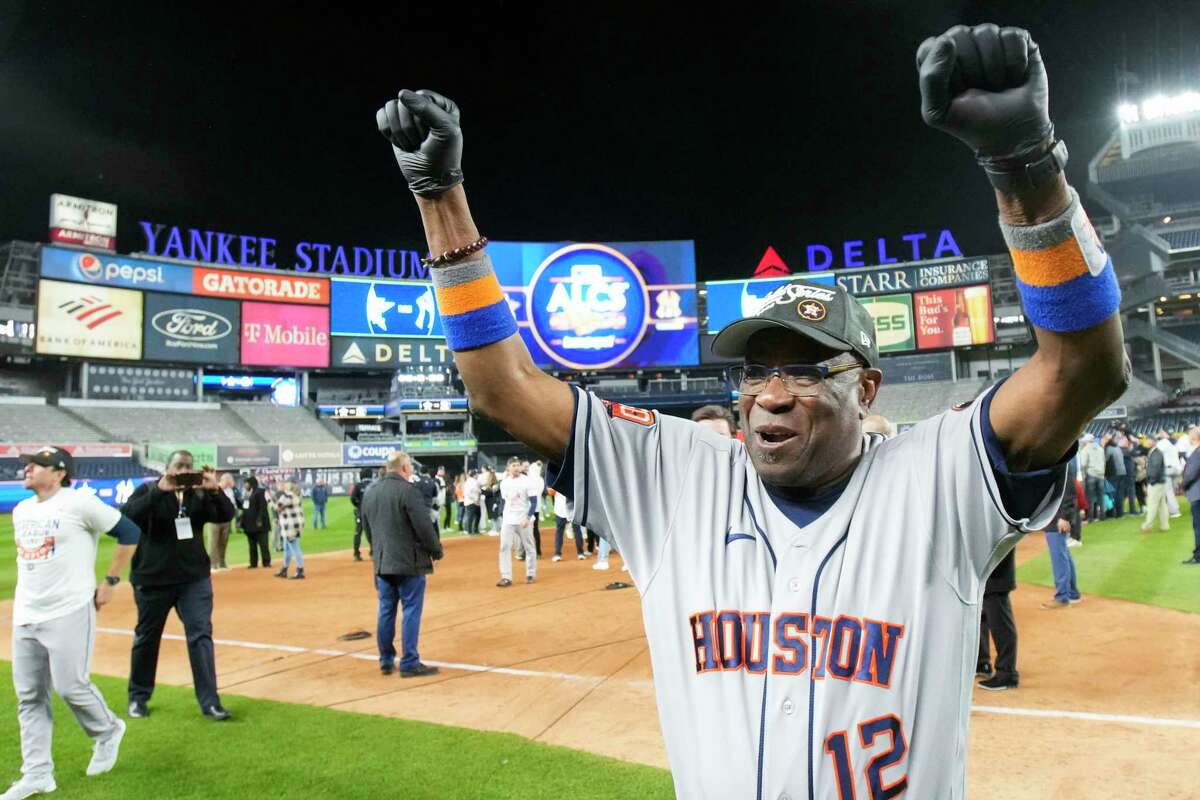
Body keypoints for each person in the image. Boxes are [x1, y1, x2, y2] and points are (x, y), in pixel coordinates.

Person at [377, 24, 1128, 795]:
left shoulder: (937, 480)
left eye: (803, 372)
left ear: (864, 390)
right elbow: (503, 388)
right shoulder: (673, 477)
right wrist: (441, 201)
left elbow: (1083, 369)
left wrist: (1025, 167)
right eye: (756, 371)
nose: (768, 393)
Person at [1, 447, 141, 800]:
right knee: (30, 696)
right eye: (27, 465)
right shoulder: (22, 509)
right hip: (27, 614)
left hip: (69, 610)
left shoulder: (79, 502)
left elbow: (129, 532)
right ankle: (37, 774)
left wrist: (110, 582)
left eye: (37, 465)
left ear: (60, 472)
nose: (28, 468)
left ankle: (108, 731)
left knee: (70, 686)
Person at [121, 449, 235, 721]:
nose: (183, 471)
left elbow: (226, 515)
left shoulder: (198, 494)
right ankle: (138, 697)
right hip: (153, 579)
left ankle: (210, 702)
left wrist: (214, 490)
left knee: (201, 637)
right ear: (167, 467)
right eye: (178, 466)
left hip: (193, 580)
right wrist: (160, 491)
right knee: (147, 639)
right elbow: (127, 517)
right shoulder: (148, 490)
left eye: (188, 466)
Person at [360, 451, 442, 678]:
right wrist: (436, 550)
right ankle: (409, 662)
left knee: (385, 611)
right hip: (409, 563)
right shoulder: (409, 491)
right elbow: (424, 527)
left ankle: (386, 660)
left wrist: (379, 551)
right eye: (411, 468)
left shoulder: (371, 492)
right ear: (404, 468)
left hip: (382, 562)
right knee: (411, 611)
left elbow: (368, 528)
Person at [1041, 458, 1083, 609]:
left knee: (1059, 555)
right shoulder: (1059, 459)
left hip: (1057, 515)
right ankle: (1072, 593)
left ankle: (1062, 597)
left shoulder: (1061, 461)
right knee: (1063, 552)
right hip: (1055, 514)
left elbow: (1069, 491)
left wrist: (1065, 516)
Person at [976, 550, 1019, 690]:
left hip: (997, 574)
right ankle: (982, 663)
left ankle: (1007, 674)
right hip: (984, 573)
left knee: (1000, 623)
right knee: (981, 618)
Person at [497, 457, 539, 586]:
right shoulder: (504, 483)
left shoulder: (527, 481)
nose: (516, 467)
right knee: (504, 547)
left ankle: (530, 573)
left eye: (517, 465)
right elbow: (504, 501)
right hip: (508, 519)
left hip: (523, 519)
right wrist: (500, 514)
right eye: (513, 465)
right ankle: (506, 577)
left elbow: (533, 502)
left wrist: (528, 517)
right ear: (508, 468)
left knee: (529, 546)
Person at [274, 481, 306, 580]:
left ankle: (300, 570)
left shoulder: (287, 496)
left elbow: (276, 507)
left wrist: (269, 499)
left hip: (290, 526)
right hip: (296, 524)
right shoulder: (296, 496)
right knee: (287, 548)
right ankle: (284, 569)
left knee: (295, 547)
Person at [207, 473, 237, 571]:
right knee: (213, 543)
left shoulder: (229, 491)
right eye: (228, 482)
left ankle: (222, 563)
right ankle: (212, 565)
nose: (229, 484)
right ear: (224, 481)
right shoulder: (214, 489)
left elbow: (232, 504)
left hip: (226, 521)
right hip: (215, 521)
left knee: (223, 543)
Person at [239, 476, 272, 569]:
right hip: (249, 524)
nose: (245, 485)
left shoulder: (260, 492)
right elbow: (245, 508)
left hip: (260, 524)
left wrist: (260, 519)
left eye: (247, 483)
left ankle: (266, 562)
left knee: (263, 544)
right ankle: (253, 563)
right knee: (252, 545)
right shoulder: (246, 494)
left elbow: (263, 507)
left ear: (251, 483)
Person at [1141, 434, 1171, 533]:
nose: (1148, 442)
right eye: (1147, 440)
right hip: (1159, 481)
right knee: (1162, 505)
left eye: (1149, 440)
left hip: (1156, 482)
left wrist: (1151, 480)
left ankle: (1147, 525)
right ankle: (1164, 526)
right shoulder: (1155, 452)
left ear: (1154, 441)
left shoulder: (1156, 453)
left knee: (1152, 504)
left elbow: (1155, 468)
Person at [1180, 427, 1200, 565]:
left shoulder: (1197, 452)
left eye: (1189, 434)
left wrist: (1184, 485)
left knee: (1198, 525)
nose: (1188, 436)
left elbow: (1191, 473)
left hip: (1197, 493)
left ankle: (1198, 556)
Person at [550, 487, 586, 561]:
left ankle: (557, 554)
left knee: (560, 532)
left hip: (562, 509)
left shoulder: (556, 478)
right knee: (576, 531)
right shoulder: (573, 477)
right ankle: (580, 553)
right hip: (569, 508)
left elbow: (551, 492)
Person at [1077, 433, 1105, 524]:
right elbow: (1104, 462)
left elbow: (1083, 463)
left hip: (1091, 474)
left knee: (1090, 498)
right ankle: (1102, 516)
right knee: (1101, 496)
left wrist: (1083, 474)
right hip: (1100, 475)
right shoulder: (1100, 449)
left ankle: (1091, 517)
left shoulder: (1086, 449)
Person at [350, 468, 375, 561]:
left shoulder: (358, 485)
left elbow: (352, 498)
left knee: (358, 533)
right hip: (372, 512)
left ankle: (356, 553)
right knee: (373, 532)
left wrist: (359, 505)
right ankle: (373, 552)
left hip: (360, 512)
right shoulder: (374, 485)